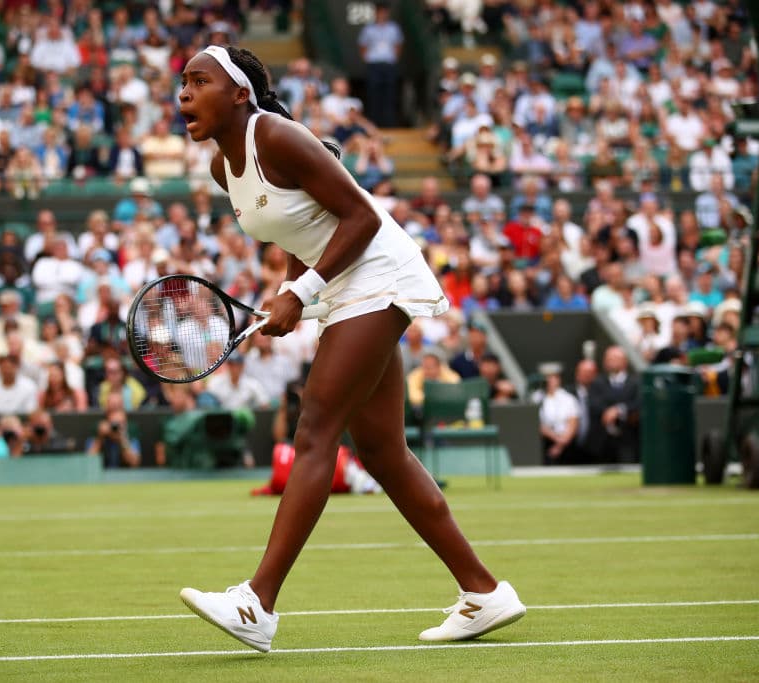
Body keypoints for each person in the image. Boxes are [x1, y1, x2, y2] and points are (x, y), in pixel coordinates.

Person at [174, 45, 524, 653]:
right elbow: (300, 230)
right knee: (383, 453)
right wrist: (292, 291)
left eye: (199, 81)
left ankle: (257, 603)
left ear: (238, 94)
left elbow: (361, 217)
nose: (184, 93)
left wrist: (300, 292)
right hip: (342, 287)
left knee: (315, 430)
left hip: (379, 275)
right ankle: (484, 592)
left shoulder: (275, 135)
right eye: (182, 83)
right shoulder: (222, 169)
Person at [587, 346, 640, 463]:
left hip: (628, 440)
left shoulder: (636, 382)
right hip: (602, 443)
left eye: (614, 358)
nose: (611, 361)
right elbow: (593, 404)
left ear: (625, 361)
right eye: (608, 359)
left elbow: (639, 403)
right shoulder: (597, 382)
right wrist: (607, 412)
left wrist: (619, 410)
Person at [357, 2, 403, 127]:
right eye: (380, 12)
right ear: (376, 13)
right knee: (374, 94)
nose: (382, 14)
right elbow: (362, 46)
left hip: (388, 65)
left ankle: (389, 123)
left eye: (384, 12)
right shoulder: (368, 29)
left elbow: (398, 45)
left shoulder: (394, 28)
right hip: (374, 65)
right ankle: (374, 124)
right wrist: (367, 58)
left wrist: (393, 58)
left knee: (390, 94)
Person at [537, 362, 580, 466]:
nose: (549, 380)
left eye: (553, 377)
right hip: (544, 442)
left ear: (559, 379)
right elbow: (536, 423)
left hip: (566, 444)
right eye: (546, 377)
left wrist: (560, 444)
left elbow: (573, 423)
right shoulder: (536, 397)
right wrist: (556, 438)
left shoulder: (568, 398)